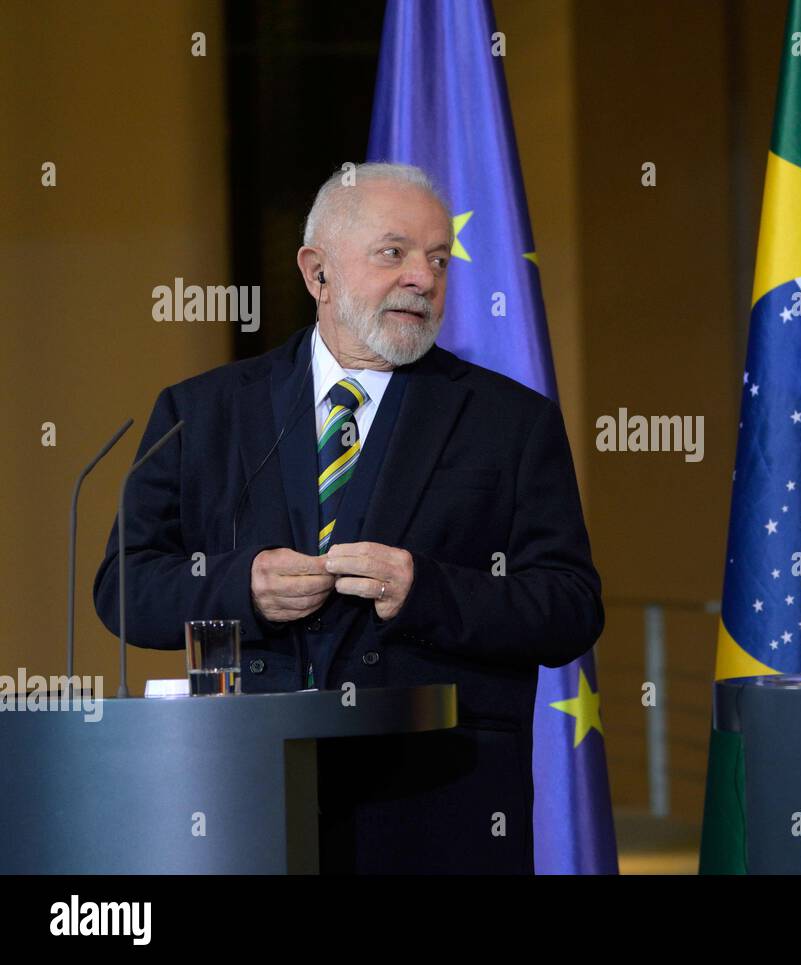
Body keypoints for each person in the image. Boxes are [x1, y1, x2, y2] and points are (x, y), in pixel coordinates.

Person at [93, 162, 603, 874]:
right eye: (393, 253)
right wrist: (243, 589)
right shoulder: (202, 414)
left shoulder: (510, 422)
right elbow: (125, 586)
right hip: (249, 801)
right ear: (317, 273)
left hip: (438, 811)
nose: (423, 278)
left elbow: (571, 606)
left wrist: (426, 589)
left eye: (435, 259)